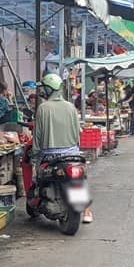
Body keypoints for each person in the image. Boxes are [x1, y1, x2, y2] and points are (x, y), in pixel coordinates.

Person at [32, 73, 92, 224]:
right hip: (72, 154)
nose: (42, 92)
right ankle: (87, 211)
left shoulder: (43, 108)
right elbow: (78, 132)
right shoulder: (70, 107)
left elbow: (37, 136)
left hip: (49, 156)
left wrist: (34, 156)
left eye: (44, 88)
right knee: (81, 179)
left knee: (37, 178)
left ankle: (40, 200)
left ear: (49, 89)